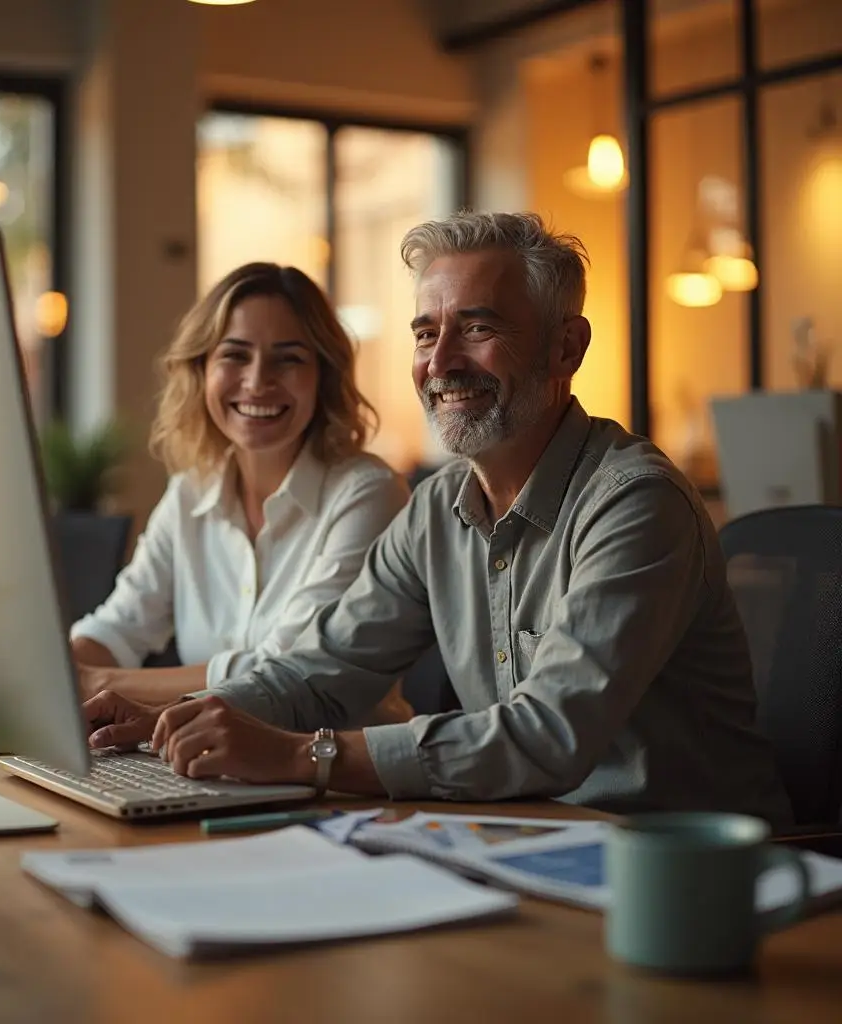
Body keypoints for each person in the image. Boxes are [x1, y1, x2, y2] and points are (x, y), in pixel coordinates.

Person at [83, 212, 791, 825]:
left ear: (565, 348)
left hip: (680, 873)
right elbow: (322, 673)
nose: (442, 362)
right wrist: (193, 719)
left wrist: (303, 755)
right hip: (523, 841)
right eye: (426, 334)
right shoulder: (436, 511)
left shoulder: (636, 503)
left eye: (477, 327)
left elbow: (547, 736)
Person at [71, 261, 412, 723]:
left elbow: (283, 671)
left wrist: (100, 682)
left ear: (323, 376)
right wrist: (64, 667)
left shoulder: (368, 494)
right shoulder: (191, 492)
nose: (257, 381)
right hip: (211, 765)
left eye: (288, 358)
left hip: (339, 778)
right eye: (234, 354)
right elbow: (121, 626)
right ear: (202, 369)